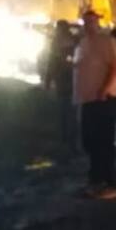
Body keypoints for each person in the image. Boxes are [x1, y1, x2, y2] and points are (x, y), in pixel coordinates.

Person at [73, 9, 116, 199]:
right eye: (85, 22)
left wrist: (104, 89)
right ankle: (95, 181)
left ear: (98, 23)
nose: (88, 25)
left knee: (104, 143)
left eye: (92, 22)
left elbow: (115, 67)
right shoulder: (84, 43)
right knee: (90, 142)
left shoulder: (106, 42)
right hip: (87, 100)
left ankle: (110, 184)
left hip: (103, 100)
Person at [45, 20, 78, 149]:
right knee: (67, 109)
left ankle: (67, 138)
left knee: (66, 109)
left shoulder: (61, 42)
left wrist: (48, 80)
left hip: (67, 79)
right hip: (67, 80)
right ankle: (68, 137)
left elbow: (52, 62)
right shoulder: (72, 41)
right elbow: (52, 62)